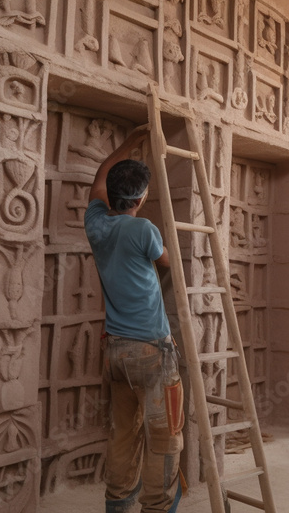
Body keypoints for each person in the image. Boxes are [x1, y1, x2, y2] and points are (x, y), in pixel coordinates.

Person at [84, 129, 184, 513]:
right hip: (152, 352)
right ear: (142, 198)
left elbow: (99, 177)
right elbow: (167, 262)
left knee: (123, 434)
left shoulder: (95, 223)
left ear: (110, 195)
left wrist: (128, 144)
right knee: (165, 436)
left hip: (116, 353)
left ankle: (118, 504)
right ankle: (157, 507)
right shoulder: (143, 229)